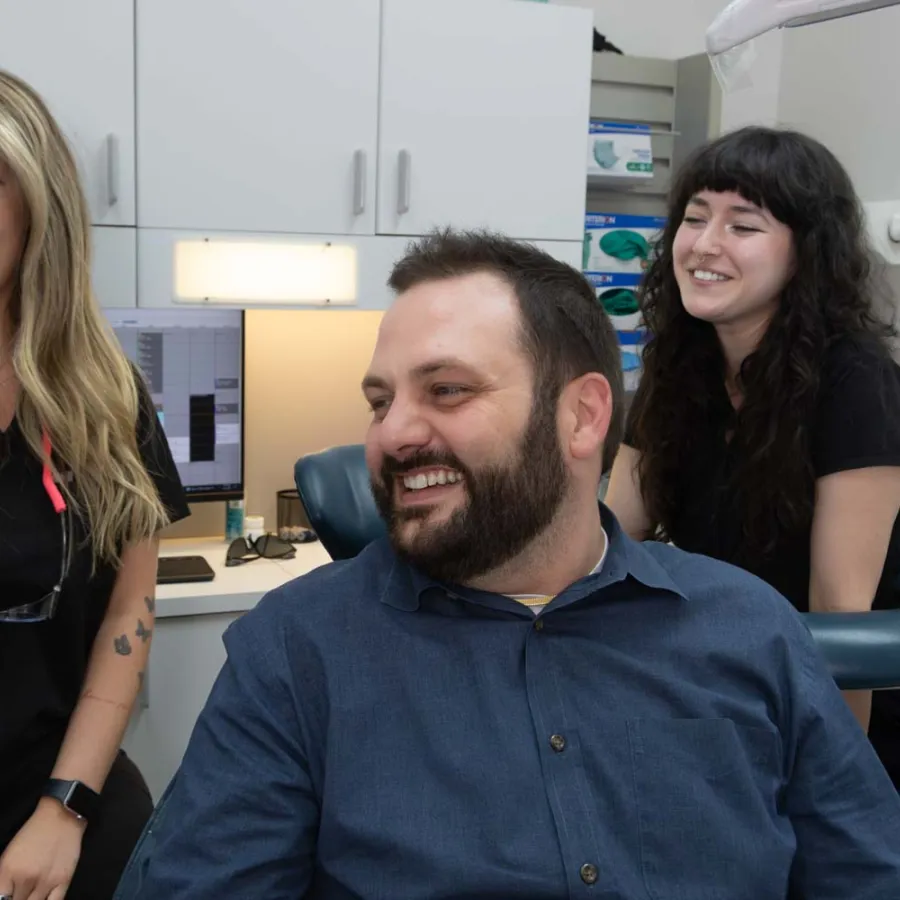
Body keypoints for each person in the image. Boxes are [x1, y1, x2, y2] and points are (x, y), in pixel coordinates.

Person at [122, 230, 900, 900]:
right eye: (379, 400)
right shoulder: (298, 653)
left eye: (447, 390)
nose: (393, 434)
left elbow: (867, 872)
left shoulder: (747, 628)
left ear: (582, 416)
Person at [604, 125, 900, 787]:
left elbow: (840, 621)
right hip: (724, 675)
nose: (705, 245)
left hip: (848, 709)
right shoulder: (684, 364)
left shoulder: (854, 381)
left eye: (744, 225)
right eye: (694, 217)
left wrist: (835, 793)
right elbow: (604, 535)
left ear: (806, 254)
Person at [0, 71, 190, 900]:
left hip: (55, 798)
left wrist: (66, 808)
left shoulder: (103, 395)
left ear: (40, 203)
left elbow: (127, 613)